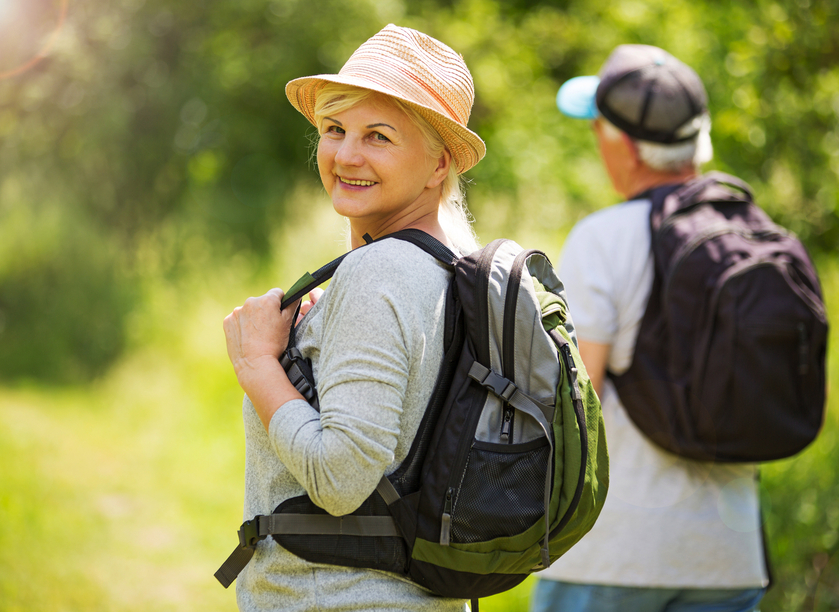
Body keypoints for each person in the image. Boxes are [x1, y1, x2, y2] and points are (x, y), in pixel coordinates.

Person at [222, 24, 485, 611]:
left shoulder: (380, 273)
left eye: (379, 136)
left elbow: (340, 479)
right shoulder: (454, 267)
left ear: (439, 162)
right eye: (335, 130)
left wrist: (258, 364)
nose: (346, 155)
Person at [531, 45, 769, 612]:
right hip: (730, 555)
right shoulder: (754, 231)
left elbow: (581, 396)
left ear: (623, 145)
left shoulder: (604, 236)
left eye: (598, 129)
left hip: (616, 553)